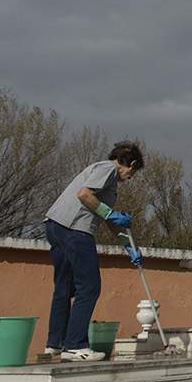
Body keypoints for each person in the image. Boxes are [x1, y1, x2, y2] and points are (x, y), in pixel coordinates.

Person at [42, 141, 145, 361]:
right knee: (89, 287)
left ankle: (55, 344)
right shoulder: (108, 169)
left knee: (64, 287)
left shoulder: (101, 175)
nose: (130, 178)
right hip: (74, 230)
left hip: (55, 226)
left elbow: (106, 219)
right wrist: (111, 213)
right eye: (132, 173)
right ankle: (75, 345)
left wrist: (129, 247)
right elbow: (84, 195)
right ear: (131, 164)